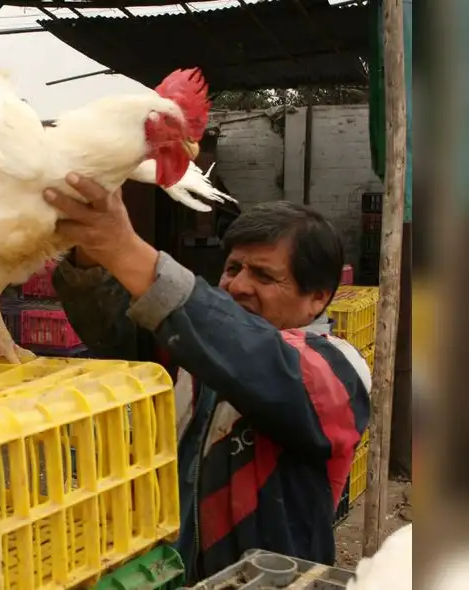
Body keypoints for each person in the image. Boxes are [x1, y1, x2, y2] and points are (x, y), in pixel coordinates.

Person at [44, 173, 371, 583]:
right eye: (233, 268)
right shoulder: (198, 353)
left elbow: (260, 360)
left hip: (270, 579)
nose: (238, 286)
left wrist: (125, 248)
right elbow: (118, 332)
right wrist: (91, 252)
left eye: (264, 276)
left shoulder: (340, 368)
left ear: (317, 298)